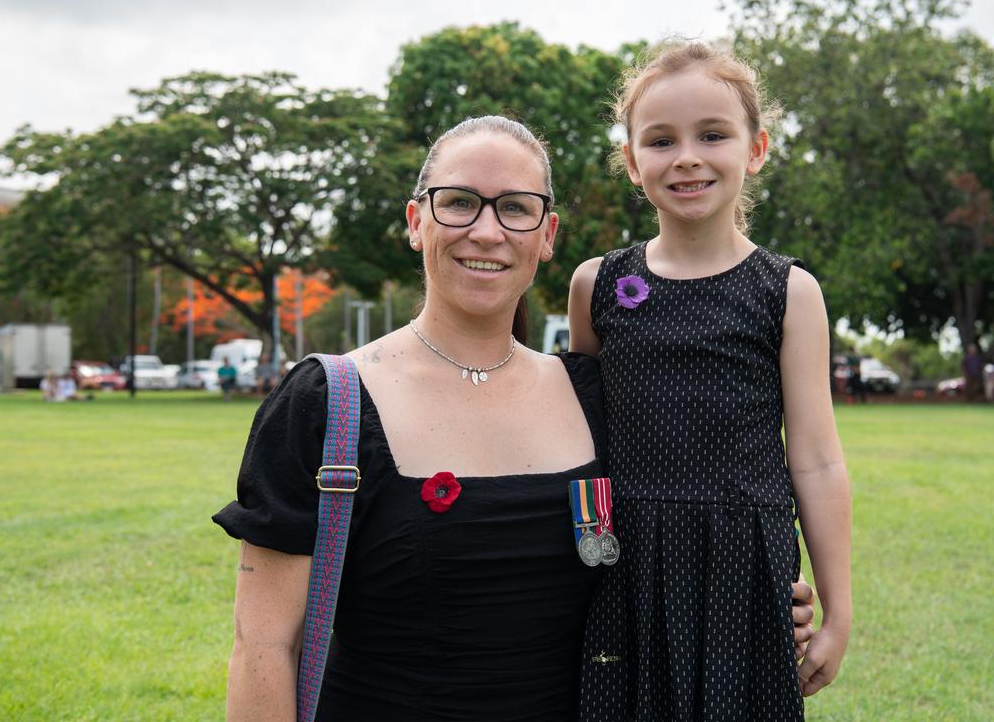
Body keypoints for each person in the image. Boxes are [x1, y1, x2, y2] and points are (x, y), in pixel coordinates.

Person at [214, 115, 816, 721]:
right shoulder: (327, 403)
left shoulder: (593, 395)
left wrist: (757, 598)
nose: (485, 230)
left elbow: (673, 529)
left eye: (515, 209)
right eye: (458, 203)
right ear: (415, 222)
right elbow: (265, 646)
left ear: (547, 234)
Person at [569, 43, 850, 721]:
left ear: (755, 150)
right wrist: (585, 550)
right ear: (634, 164)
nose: (687, 156)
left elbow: (814, 458)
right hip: (621, 564)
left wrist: (838, 612)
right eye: (661, 140)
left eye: (713, 135)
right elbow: (580, 447)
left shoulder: (788, 291)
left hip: (743, 565)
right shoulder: (596, 285)